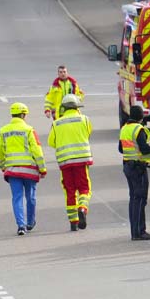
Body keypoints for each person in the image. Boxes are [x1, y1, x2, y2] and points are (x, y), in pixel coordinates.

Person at [0, 102, 46, 236]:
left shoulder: (3, 130)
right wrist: (42, 168)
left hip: (13, 170)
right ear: (23, 115)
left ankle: (21, 226)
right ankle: (30, 222)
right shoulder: (29, 130)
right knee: (31, 196)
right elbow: (37, 151)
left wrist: (2, 166)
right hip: (29, 170)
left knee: (17, 197)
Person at [48, 94, 93, 232]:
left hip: (65, 162)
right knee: (84, 189)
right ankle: (82, 208)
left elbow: (51, 142)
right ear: (77, 107)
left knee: (69, 191)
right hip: (81, 160)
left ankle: (73, 222)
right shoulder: (84, 119)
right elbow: (88, 133)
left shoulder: (56, 124)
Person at [118, 104, 150, 240]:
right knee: (140, 199)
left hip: (128, 166)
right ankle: (140, 232)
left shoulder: (124, 129)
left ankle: (134, 231)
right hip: (138, 167)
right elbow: (144, 149)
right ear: (141, 117)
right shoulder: (138, 129)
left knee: (133, 199)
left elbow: (121, 149)